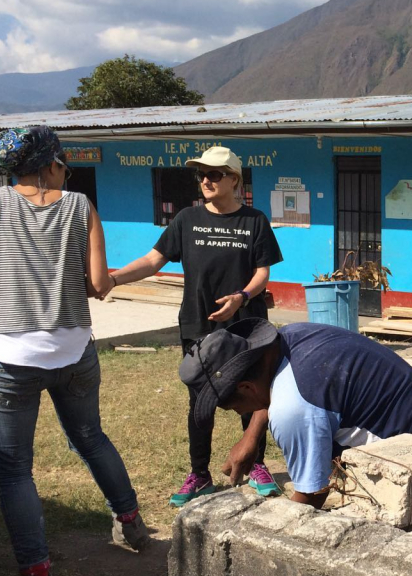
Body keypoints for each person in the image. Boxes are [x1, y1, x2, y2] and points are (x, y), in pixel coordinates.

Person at [0, 126, 147, 576]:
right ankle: (132, 525)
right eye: (63, 164)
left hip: (11, 360)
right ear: (53, 163)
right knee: (91, 437)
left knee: (14, 468)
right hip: (76, 351)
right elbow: (99, 284)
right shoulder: (81, 206)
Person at [105, 146, 283, 506]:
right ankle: (199, 474)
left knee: (251, 398)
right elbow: (154, 260)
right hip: (198, 329)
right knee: (200, 404)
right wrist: (115, 279)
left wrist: (242, 297)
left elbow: (262, 272)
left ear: (234, 179)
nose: (206, 180)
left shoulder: (255, 221)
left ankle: (256, 464)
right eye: (201, 174)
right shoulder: (186, 219)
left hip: (245, 327)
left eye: (215, 174)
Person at [178, 319, 412, 508]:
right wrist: (251, 436)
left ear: (245, 386)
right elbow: (273, 389)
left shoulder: (293, 408)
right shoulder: (290, 338)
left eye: (232, 407)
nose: (236, 412)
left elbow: (313, 494)